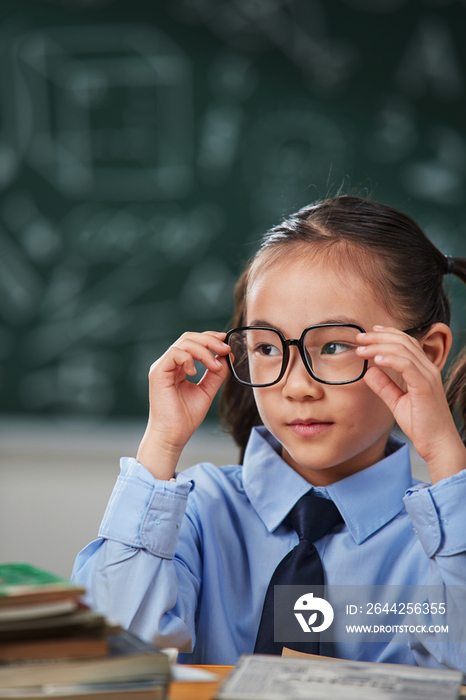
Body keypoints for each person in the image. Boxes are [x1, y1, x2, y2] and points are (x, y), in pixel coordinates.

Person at [72, 195, 466, 670]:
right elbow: (109, 645)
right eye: (266, 347)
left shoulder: (441, 539)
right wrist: (162, 444)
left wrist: (447, 457)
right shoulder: (197, 512)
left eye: (335, 345)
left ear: (427, 352)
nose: (297, 386)